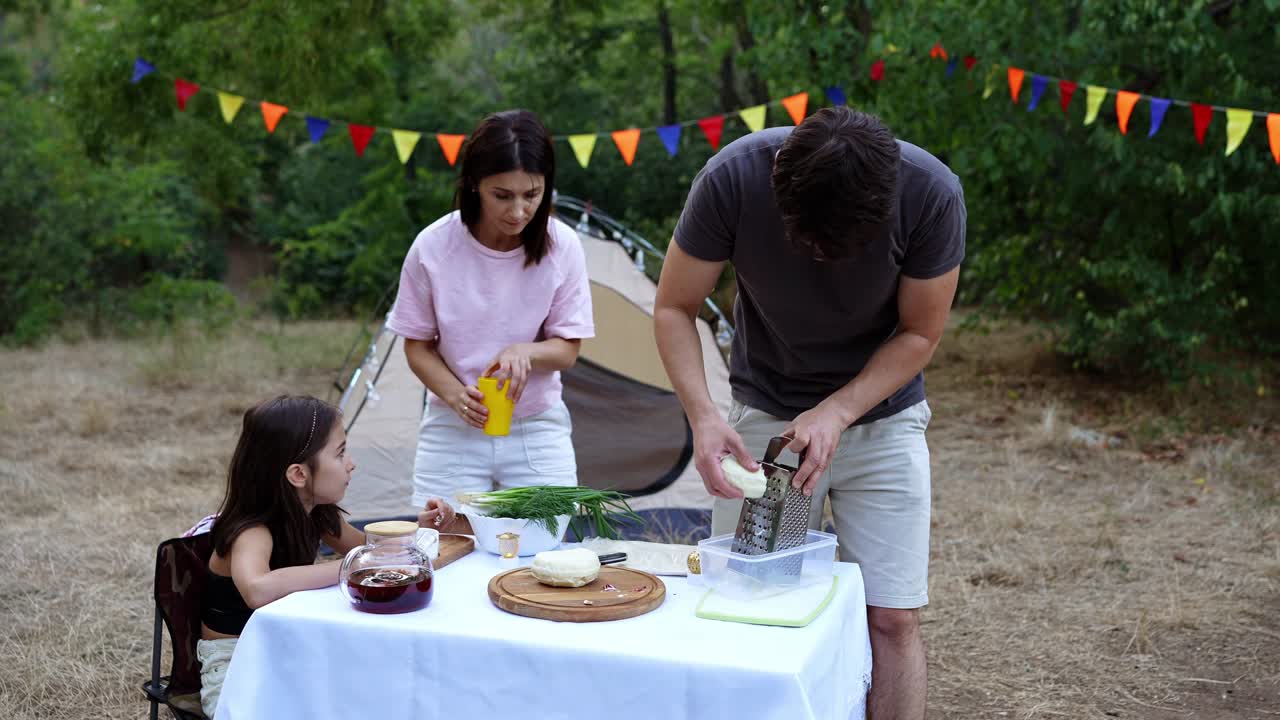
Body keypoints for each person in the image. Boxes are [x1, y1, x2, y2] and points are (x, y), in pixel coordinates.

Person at [653, 106, 964, 719]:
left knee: (892, 616)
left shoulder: (931, 194)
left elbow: (920, 334)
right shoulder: (733, 177)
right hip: (766, 423)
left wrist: (838, 411)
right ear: (778, 180)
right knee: (749, 602)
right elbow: (674, 306)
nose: (821, 256)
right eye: (808, 241)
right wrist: (705, 417)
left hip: (883, 417)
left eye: (839, 246)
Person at [387, 109, 595, 510]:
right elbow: (417, 346)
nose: (518, 211)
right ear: (473, 185)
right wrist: (455, 396)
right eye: (502, 195)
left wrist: (526, 351)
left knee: (544, 557)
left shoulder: (562, 245)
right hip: (454, 426)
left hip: (536, 427)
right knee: (446, 552)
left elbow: (567, 350)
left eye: (532, 194)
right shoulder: (433, 246)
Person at [198, 395, 455, 718]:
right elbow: (257, 589)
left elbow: (369, 548)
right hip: (237, 666)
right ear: (298, 475)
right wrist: (349, 568)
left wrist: (419, 529)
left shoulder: (319, 514)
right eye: (340, 453)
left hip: (289, 645)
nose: (352, 463)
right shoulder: (253, 529)